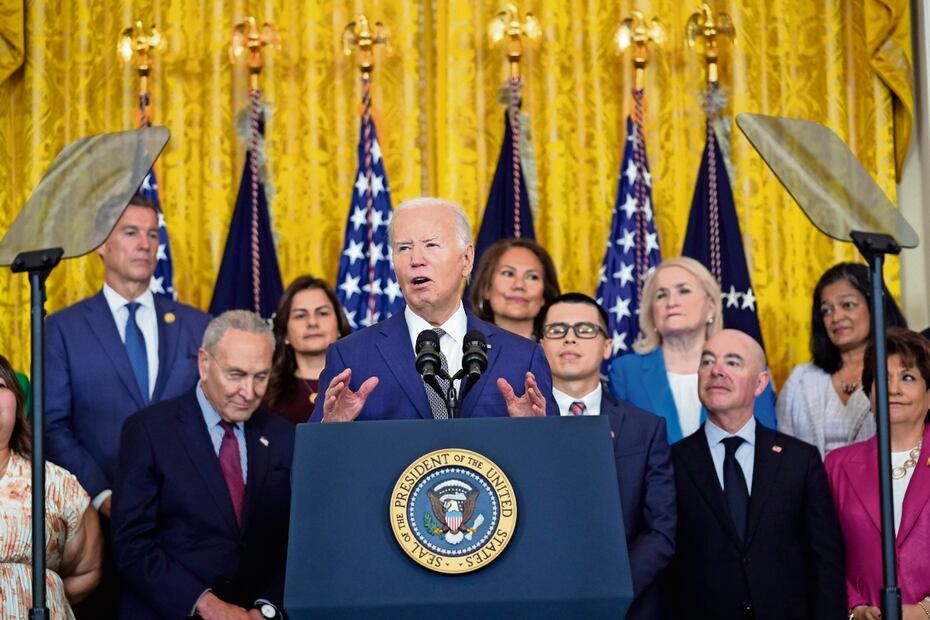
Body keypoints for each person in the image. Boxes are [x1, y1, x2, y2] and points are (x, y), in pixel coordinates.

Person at [112, 311, 294, 620]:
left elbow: (294, 541)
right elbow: (132, 543)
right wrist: (207, 605)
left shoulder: (282, 436)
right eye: (236, 375)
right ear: (204, 363)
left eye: (260, 376)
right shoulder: (149, 431)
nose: (249, 392)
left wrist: (265, 609)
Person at [311, 197, 557, 423]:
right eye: (404, 248)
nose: (416, 259)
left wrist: (535, 433)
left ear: (467, 259)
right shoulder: (351, 358)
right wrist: (331, 431)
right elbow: (313, 464)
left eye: (431, 245)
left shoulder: (523, 358)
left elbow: (557, 462)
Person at [46, 194, 211, 517]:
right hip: (98, 517)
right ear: (101, 244)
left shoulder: (198, 324)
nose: (145, 244)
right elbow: (52, 426)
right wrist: (102, 495)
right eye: (131, 232)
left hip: (188, 514)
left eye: (152, 234)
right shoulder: (62, 329)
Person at [667, 329, 846, 619]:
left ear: (761, 383)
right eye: (707, 361)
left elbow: (826, 563)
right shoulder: (671, 462)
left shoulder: (800, 460)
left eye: (733, 362)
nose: (716, 371)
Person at [537, 293, 674, 620]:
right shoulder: (516, 422)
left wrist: (613, 588)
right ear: (539, 344)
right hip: (538, 599)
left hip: (627, 605)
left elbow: (661, 529)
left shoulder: (646, 429)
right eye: (557, 330)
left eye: (585, 329)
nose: (570, 337)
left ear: (608, 346)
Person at [607, 257, 776, 443]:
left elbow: (765, 444)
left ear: (710, 307)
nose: (671, 302)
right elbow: (622, 450)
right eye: (661, 295)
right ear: (651, 312)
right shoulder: (626, 371)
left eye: (684, 291)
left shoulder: (747, 368)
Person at [825, 327, 930, 619]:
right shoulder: (836, 466)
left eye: (908, 377)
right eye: (883, 378)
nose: (893, 388)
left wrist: (925, 610)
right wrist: (853, 608)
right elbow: (823, 554)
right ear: (869, 393)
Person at [0, 353, 103, 618]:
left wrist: (45, 593)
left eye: (0, 386)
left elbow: (88, 569)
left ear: (18, 403)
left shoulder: (56, 483)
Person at [778, 262, 908, 457]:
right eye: (826, 310)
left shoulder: (905, 372)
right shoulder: (800, 379)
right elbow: (783, 454)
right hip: (811, 487)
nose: (836, 317)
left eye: (847, 305)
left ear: (875, 307)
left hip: (883, 485)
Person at [264, 275, 351, 424]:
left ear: (339, 326)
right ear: (285, 334)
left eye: (322, 313)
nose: (312, 322)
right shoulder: (264, 394)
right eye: (300, 315)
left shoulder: (360, 385)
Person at [469, 238, 560, 339]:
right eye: (508, 274)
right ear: (486, 288)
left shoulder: (562, 350)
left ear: (544, 295)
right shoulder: (462, 348)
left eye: (532, 277)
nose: (519, 285)